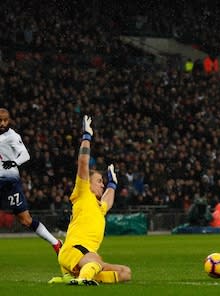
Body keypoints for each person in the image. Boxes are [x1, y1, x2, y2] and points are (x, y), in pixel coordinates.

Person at [49, 115, 131, 285]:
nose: (102, 186)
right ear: (89, 183)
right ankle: (84, 280)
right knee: (95, 262)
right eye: (99, 182)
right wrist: (87, 136)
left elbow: (108, 200)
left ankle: (75, 278)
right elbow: (83, 163)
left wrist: (113, 184)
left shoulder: (98, 206)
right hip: (75, 250)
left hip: (83, 254)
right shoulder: (82, 193)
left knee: (125, 272)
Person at [0, 108, 62, 254]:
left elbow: (25, 154)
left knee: (26, 220)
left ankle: (56, 243)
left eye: (5, 120)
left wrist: (14, 162)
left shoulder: (12, 136)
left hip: (10, 183)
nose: (2, 123)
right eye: (0, 120)